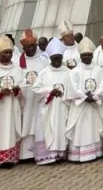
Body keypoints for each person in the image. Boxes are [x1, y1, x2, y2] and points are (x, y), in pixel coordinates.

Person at [65, 37, 103, 162]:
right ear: (80, 56)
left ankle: (94, 153)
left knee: (93, 127)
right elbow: (72, 87)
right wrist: (84, 97)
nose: (87, 57)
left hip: (93, 105)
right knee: (80, 129)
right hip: (80, 106)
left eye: (89, 55)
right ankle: (78, 154)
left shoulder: (99, 70)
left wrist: (95, 96)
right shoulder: (75, 71)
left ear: (92, 55)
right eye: (84, 55)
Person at [32, 38, 70, 165]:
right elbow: (36, 89)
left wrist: (64, 93)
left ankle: (60, 154)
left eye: (59, 58)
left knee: (61, 128)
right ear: (51, 58)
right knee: (49, 128)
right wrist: (50, 91)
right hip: (48, 108)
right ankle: (48, 156)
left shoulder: (68, 72)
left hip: (63, 107)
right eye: (55, 58)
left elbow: (73, 89)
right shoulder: (44, 73)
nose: (57, 61)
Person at [17, 29, 48, 161]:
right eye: (28, 46)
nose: (31, 49)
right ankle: (26, 154)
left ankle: (40, 153)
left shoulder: (43, 60)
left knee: (40, 122)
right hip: (26, 99)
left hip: (40, 99)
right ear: (23, 47)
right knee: (27, 122)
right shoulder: (18, 63)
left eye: (33, 46)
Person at [0, 35, 24, 169]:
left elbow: (22, 85)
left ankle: (9, 158)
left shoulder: (17, 69)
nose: (8, 55)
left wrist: (17, 90)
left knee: (10, 130)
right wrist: (1, 92)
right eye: (5, 52)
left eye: (10, 52)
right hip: (1, 106)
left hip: (12, 105)